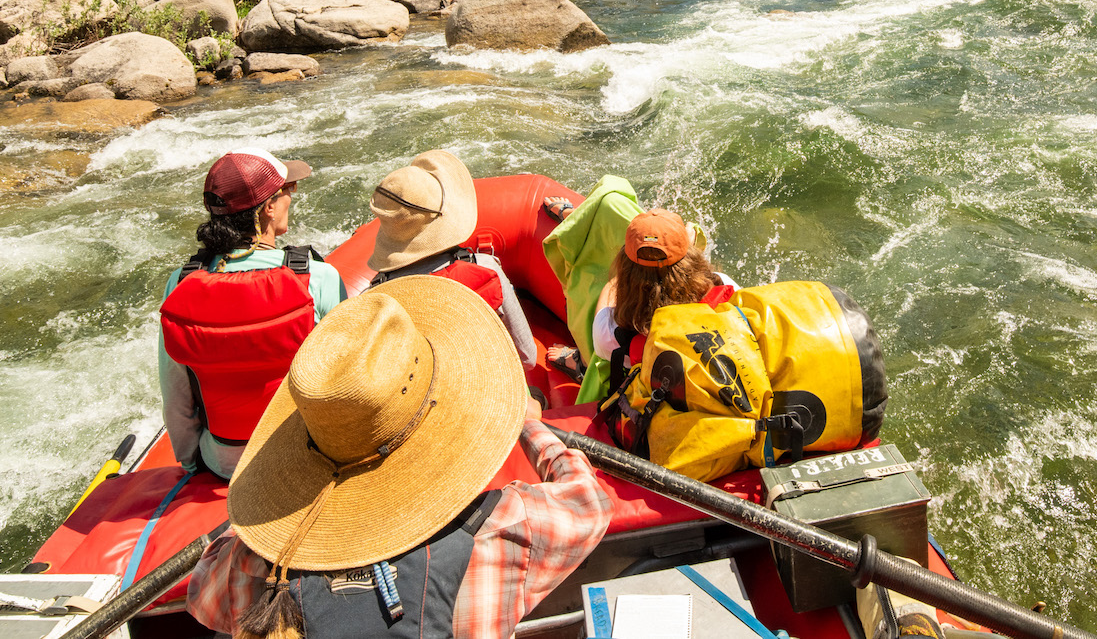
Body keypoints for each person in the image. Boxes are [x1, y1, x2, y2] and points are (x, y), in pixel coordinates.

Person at [186, 275, 613, 639]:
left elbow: (201, 594)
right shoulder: (499, 532)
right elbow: (588, 504)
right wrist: (527, 423)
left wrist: (270, 504)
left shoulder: (251, 566)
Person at [159, 148, 346, 480]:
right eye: (288, 190)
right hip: (305, 457)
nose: (294, 196)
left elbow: (176, 394)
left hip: (222, 465)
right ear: (269, 208)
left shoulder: (181, 283)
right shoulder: (318, 278)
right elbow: (342, 382)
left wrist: (193, 467)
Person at [365, 149, 540, 366]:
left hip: (421, 396)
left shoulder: (375, 296)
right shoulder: (485, 267)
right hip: (487, 386)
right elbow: (527, 357)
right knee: (537, 400)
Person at [590, 209, 737, 373]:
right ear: (689, 258)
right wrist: (683, 249)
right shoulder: (726, 286)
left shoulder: (610, 335)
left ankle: (579, 362)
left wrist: (632, 270)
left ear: (625, 268)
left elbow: (607, 297)